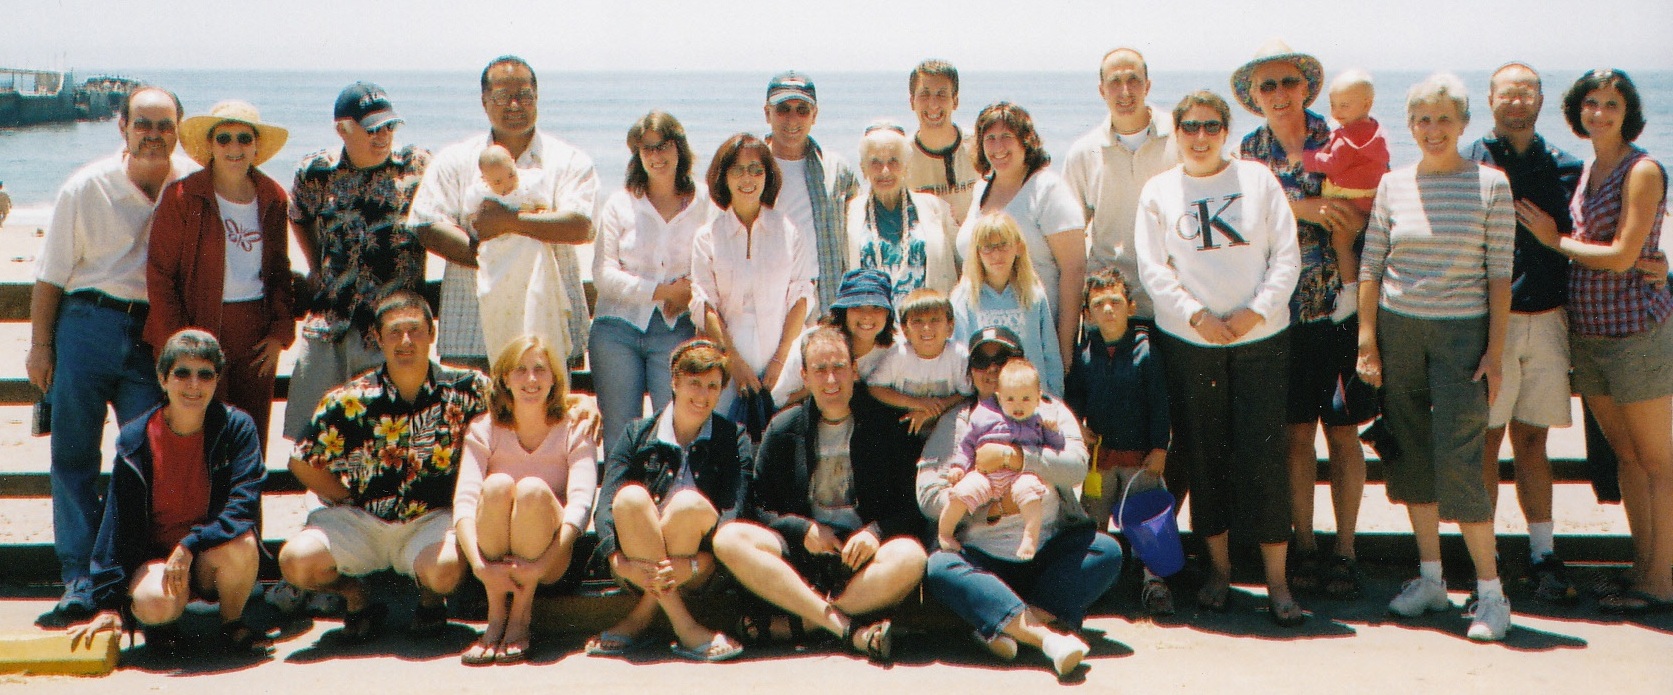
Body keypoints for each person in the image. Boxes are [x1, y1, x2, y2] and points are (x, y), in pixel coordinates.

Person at [1356, 73, 1516, 641]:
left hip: (1462, 337)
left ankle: (1492, 594)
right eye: (1422, 119)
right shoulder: (1393, 184)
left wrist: (1495, 352)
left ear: (1464, 123)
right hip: (1398, 332)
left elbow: (1500, 274)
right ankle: (1431, 580)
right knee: (1410, 456)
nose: (1433, 129)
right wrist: (1367, 339)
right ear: (1410, 125)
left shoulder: (1491, 184)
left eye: (1444, 118)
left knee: (1461, 460)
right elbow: (1372, 264)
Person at [28, 86, 195, 628]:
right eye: (143, 123)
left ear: (179, 130)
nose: (154, 135)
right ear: (122, 126)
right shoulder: (86, 186)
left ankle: (127, 576)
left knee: (144, 458)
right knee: (74, 457)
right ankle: (80, 579)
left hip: (154, 334)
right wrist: (40, 345)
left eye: (164, 125)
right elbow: (50, 276)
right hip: (86, 324)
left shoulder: (190, 184)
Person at [1136, 90, 1304, 626]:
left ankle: (1278, 582)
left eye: (1211, 126)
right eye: (1190, 126)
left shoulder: (1258, 179)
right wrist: (1196, 316)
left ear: (1226, 131)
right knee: (1204, 456)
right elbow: (1153, 268)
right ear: (1177, 132)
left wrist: (1256, 312)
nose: (1201, 136)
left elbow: (1286, 255)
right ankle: (1219, 571)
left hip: (1262, 339)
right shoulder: (1159, 190)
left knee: (1265, 457)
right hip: (1191, 342)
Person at [1521, 69, 1673, 614]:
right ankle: (1644, 567)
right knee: (1627, 457)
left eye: (1612, 104)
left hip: (1636, 331)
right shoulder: (1587, 168)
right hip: (1589, 331)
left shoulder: (1642, 169)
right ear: (1577, 110)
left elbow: (1624, 256)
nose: (1601, 113)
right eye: (1591, 102)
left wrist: (1553, 241)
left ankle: (1661, 581)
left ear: (1628, 112)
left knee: (1657, 463)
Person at [1233, 40, 1372, 597]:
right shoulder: (1247, 150)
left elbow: (1369, 205)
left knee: (1344, 432)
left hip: (1338, 304)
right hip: (1278, 312)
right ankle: (1306, 546)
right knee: (1295, 437)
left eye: (1288, 82)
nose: (1279, 93)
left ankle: (1347, 550)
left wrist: (1343, 223)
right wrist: (1305, 208)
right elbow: (1242, 215)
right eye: (1267, 85)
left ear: (1307, 88)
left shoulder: (1339, 137)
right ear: (1254, 96)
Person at [279, 290, 493, 641]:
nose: (405, 341)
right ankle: (356, 596)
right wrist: (344, 497)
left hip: (431, 520)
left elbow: (522, 406)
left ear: (432, 333)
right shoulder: (351, 398)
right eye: (394, 332)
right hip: (362, 520)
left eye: (415, 330)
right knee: (295, 562)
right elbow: (301, 461)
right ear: (378, 339)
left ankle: (430, 598)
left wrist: (579, 406)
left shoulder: (469, 389)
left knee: (445, 571)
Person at [713, 326, 928, 663]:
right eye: (820, 369)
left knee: (911, 557)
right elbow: (758, 506)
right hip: (801, 555)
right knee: (729, 539)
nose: (831, 379)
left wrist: (874, 532)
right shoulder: (783, 428)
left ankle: (805, 623)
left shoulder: (886, 426)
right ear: (804, 376)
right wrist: (803, 529)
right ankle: (851, 630)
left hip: (859, 559)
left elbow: (912, 506)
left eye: (839, 367)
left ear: (854, 371)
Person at [918, 326, 1117, 678]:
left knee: (1106, 551)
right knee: (940, 567)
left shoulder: (1049, 410)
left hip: (1045, 549)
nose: (992, 369)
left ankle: (1001, 625)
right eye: (982, 361)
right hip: (983, 557)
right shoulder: (959, 420)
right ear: (970, 371)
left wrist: (1016, 457)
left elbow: (1076, 467)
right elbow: (928, 493)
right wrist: (992, 506)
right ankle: (1046, 637)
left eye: (1003, 358)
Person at [1464, 62, 1585, 604]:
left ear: (1541, 99)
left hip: (1550, 317)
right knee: (1487, 442)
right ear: (1489, 99)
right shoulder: (1469, 162)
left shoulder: (1566, 166)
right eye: (1507, 93)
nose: (1517, 101)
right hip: (1491, 323)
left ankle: (1543, 555)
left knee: (1534, 441)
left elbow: (1590, 235)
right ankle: (1484, 563)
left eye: (1526, 92)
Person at [69, 330, 268, 655]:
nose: (194, 385)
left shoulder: (236, 428)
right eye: (182, 373)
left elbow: (243, 506)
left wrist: (190, 545)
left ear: (217, 380)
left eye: (205, 375)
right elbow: (115, 524)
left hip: (207, 555)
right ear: (162, 379)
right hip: (157, 559)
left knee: (242, 545)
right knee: (154, 604)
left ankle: (232, 623)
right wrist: (109, 605)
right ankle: (163, 625)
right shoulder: (136, 438)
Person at [412, 55, 598, 369]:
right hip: (472, 331)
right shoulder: (455, 159)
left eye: (524, 95)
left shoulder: (569, 160)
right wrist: (498, 258)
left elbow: (580, 225)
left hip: (550, 333)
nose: (514, 105)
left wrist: (508, 223)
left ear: (537, 97)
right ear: (484, 101)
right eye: (501, 96)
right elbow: (426, 224)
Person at [284, 81, 430, 442]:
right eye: (372, 129)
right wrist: (315, 266)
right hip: (331, 322)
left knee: (388, 438)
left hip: (392, 329)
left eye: (389, 126)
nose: (383, 136)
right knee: (314, 435)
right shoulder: (316, 172)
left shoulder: (417, 167)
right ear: (343, 129)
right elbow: (298, 216)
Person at [145, 100, 294, 451]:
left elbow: (279, 270)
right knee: (198, 435)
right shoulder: (182, 196)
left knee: (250, 434)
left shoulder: (272, 196)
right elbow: (160, 275)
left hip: (254, 332)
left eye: (244, 138)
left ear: (256, 146)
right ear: (211, 145)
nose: (234, 147)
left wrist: (279, 333)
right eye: (224, 138)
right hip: (197, 325)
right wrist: (178, 344)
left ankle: (247, 492)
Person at [588, 339, 748, 662]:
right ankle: (686, 628)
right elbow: (605, 505)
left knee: (688, 503)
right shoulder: (637, 434)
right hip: (636, 561)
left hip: (699, 566)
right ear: (674, 381)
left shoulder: (733, 437)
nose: (703, 395)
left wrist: (703, 561)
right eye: (694, 383)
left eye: (712, 386)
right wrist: (617, 560)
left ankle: (641, 617)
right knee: (629, 498)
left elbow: (735, 508)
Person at [454, 335, 595, 665]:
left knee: (531, 489)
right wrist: (479, 565)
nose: (531, 379)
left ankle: (520, 614)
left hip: (552, 557)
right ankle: (495, 614)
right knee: (497, 485)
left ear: (554, 379)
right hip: (493, 552)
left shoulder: (575, 427)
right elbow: (465, 500)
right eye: (520, 370)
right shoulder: (484, 428)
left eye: (540, 370)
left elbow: (581, 504)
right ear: (504, 378)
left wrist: (542, 565)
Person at [591, 111, 710, 449]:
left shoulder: (704, 202)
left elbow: (713, 258)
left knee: (673, 429)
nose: (656, 156)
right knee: (620, 435)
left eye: (664, 146)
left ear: (679, 147)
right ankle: (618, 487)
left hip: (676, 329)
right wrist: (661, 291)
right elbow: (603, 274)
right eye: (647, 148)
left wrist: (689, 291)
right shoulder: (619, 203)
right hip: (617, 329)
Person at [1064, 268, 1173, 616]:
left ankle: (1154, 581)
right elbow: (1074, 399)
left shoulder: (1147, 352)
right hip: (1101, 458)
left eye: (1115, 301)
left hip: (1140, 458)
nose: (1108, 310)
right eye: (1098, 304)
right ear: (1087, 313)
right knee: (1093, 521)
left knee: (1148, 519)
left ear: (1131, 306)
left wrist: (1160, 448)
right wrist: (1077, 425)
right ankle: (1093, 582)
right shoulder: (1085, 354)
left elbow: (1160, 405)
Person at [690, 133, 816, 431]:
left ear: (768, 176)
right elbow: (704, 305)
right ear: (723, 177)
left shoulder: (789, 231)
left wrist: (779, 361)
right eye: (737, 170)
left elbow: (801, 297)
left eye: (756, 170)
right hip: (725, 365)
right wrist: (734, 363)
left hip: (781, 364)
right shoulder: (707, 237)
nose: (747, 178)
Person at [957, 102, 1086, 369]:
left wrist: (1064, 347)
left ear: (1026, 140)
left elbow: (1073, 270)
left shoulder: (1047, 189)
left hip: (1035, 340)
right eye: (990, 138)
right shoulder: (981, 189)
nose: (998, 147)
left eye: (1007, 136)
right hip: (983, 342)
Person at [1062, 47, 1179, 324]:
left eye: (1133, 80)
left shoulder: (1181, 138)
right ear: (1101, 90)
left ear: (1147, 86)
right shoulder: (1083, 153)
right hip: (1110, 308)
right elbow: (1069, 240)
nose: (1125, 91)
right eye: (1115, 82)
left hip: (1175, 302)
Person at [763, 70, 859, 316]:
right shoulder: (749, 169)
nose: (792, 119)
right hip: (766, 300)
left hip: (824, 299)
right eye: (783, 109)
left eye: (802, 110)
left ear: (814, 115)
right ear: (767, 113)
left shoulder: (837, 169)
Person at [939, 359, 1057, 560]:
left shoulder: (1039, 420)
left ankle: (1030, 537)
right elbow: (967, 445)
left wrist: (1052, 430)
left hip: (1019, 475)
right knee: (961, 493)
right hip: (986, 475)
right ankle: (944, 533)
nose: (1018, 405)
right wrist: (959, 466)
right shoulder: (983, 415)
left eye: (1026, 399)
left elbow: (1055, 449)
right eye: (1010, 399)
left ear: (1038, 398)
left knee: (1030, 493)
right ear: (999, 397)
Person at [1304, 69, 1390, 324]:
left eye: (1344, 105)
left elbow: (1332, 164)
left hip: (1349, 199)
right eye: (1333, 104)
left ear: (1366, 104)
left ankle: (1351, 290)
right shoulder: (1374, 131)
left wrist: (1305, 158)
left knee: (1341, 243)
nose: (1336, 111)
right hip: (1369, 199)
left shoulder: (1347, 137)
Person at [470, 144, 569, 361]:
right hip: (498, 253)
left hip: (528, 249)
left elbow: (543, 207)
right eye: (498, 182)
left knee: (536, 304)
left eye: (511, 176)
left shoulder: (530, 183)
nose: (507, 185)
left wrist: (537, 212)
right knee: (503, 307)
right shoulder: (482, 193)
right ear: (485, 180)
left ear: (514, 165)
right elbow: (475, 220)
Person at [951, 212, 1064, 396]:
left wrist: (1054, 398)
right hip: (986, 400)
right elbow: (960, 358)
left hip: (1030, 398)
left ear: (1018, 247)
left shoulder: (1033, 293)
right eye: (987, 247)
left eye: (1003, 245)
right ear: (977, 253)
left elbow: (1050, 352)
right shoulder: (964, 297)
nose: (996, 254)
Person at [847, 121, 958, 300]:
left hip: (927, 315)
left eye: (893, 161)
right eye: (875, 162)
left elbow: (963, 265)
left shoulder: (937, 208)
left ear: (906, 166)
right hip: (870, 315)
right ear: (863, 169)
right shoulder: (849, 213)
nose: (885, 171)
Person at [771, 268, 897, 406]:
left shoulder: (897, 351)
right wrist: (820, 386)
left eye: (876, 307)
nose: (867, 316)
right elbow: (778, 400)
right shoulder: (811, 343)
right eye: (857, 307)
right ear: (843, 311)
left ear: (887, 313)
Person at [866, 287, 972, 435]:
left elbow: (966, 394)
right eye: (917, 321)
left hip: (945, 424)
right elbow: (875, 387)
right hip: (904, 424)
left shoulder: (958, 355)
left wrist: (933, 409)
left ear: (950, 327)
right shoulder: (898, 355)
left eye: (935, 320)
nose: (926, 328)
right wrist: (917, 403)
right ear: (905, 330)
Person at [904, 60, 979, 226]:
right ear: (912, 102)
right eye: (924, 95)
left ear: (955, 101)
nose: (933, 104)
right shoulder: (901, 157)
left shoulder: (979, 147)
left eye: (941, 94)